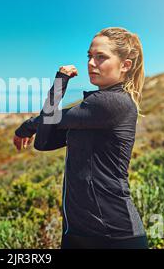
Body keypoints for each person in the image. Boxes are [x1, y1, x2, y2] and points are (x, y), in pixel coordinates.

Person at [13, 27, 148, 249]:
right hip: (76, 233)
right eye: (90, 56)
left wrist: (27, 126)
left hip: (113, 235)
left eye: (101, 57)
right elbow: (44, 142)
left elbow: (51, 119)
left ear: (125, 65)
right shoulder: (92, 108)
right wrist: (33, 125)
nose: (91, 63)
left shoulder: (112, 103)